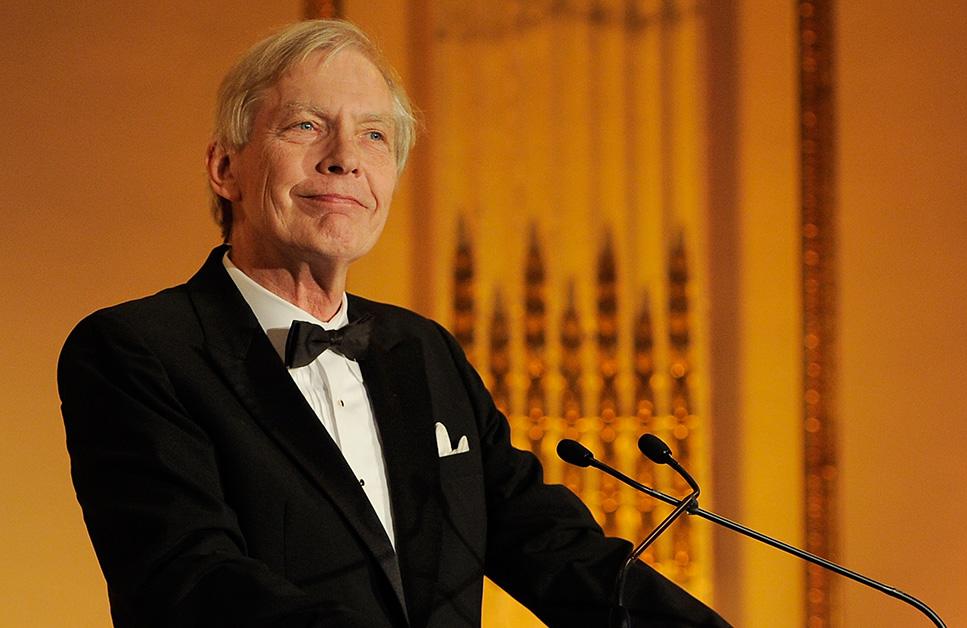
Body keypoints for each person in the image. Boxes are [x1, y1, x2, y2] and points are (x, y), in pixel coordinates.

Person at [58, 19, 728, 628]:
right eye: (305, 126)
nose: (345, 157)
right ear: (224, 168)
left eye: (374, 134)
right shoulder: (139, 351)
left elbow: (549, 546)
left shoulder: (423, 349)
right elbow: (189, 580)